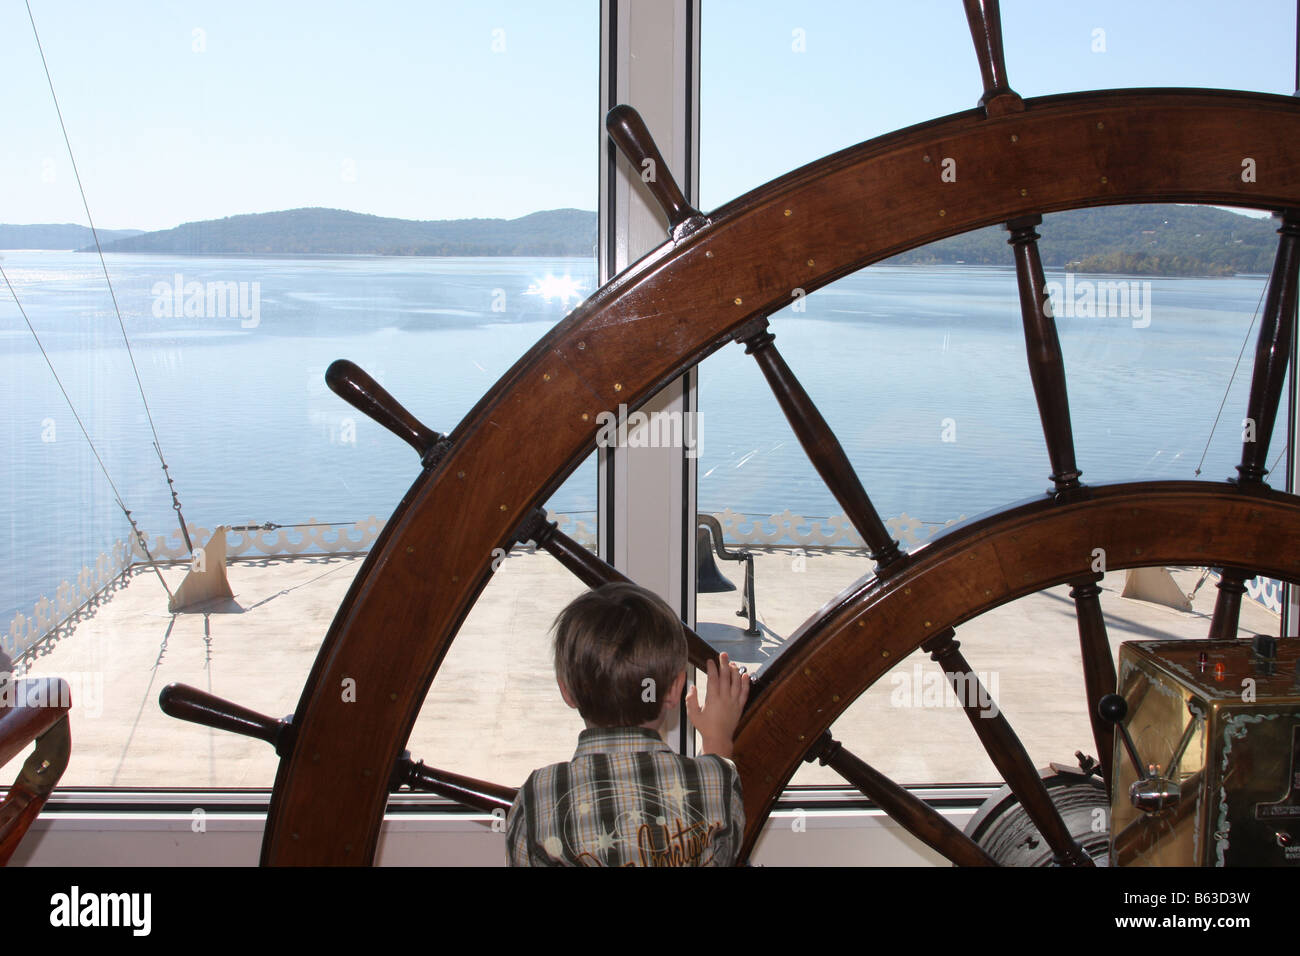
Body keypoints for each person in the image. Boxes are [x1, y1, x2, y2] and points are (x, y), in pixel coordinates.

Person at [505, 581, 750, 866]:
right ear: (675, 689)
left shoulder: (539, 796)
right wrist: (717, 738)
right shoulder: (716, 782)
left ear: (567, 691)